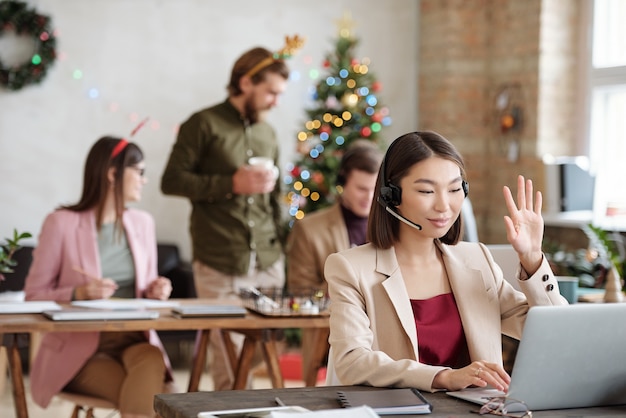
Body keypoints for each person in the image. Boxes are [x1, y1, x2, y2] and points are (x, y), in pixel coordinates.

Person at [324, 131, 568, 393]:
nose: (444, 205)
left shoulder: (477, 259)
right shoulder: (350, 268)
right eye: (427, 190)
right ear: (391, 195)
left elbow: (555, 332)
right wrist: (443, 377)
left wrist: (532, 258)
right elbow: (351, 361)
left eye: (454, 189)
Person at [160, 36, 303, 390]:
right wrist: (231, 183)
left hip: (268, 260)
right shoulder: (203, 123)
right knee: (228, 363)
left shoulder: (268, 132)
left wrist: (282, 240)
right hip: (220, 260)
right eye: (272, 92)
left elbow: (277, 196)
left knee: (265, 351)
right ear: (245, 83)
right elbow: (171, 181)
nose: (276, 101)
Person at [25, 136, 174, 418]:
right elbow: (34, 294)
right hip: (78, 350)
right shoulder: (61, 223)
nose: (144, 180)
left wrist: (156, 288)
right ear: (112, 174)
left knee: (151, 362)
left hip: (134, 339)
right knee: (158, 401)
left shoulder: (143, 223)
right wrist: (77, 294)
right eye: (139, 172)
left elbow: (148, 286)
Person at [286, 140, 382, 383]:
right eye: (361, 189)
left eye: (375, 189)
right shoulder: (310, 229)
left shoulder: (396, 227)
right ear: (342, 184)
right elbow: (300, 290)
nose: (369, 197)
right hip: (332, 332)